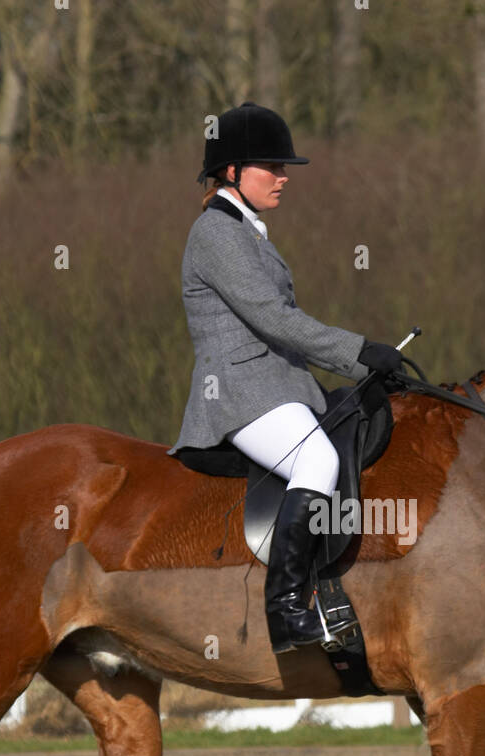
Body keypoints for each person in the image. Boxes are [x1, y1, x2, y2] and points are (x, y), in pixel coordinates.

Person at [167, 102, 403, 654]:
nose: (283, 177)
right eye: (271, 166)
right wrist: (360, 352)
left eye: (284, 166)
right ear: (231, 172)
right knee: (317, 460)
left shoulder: (248, 231)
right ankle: (287, 610)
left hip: (278, 387)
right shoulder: (215, 233)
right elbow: (273, 319)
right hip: (240, 392)